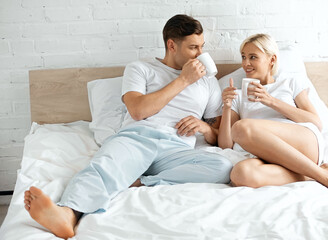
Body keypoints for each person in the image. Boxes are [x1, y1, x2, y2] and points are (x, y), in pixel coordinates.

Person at [23, 14, 232, 239]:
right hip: (137, 139)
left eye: (201, 47)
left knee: (222, 166)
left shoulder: (208, 81)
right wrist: (183, 80)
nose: (200, 54)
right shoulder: (140, 68)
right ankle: (68, 213)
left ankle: (138, 181)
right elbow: (138, 110)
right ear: (172, 45)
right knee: (103, 167)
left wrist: (205, 128)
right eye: (193, 48)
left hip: (177, 149)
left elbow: (218, 137)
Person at [218, 33, 328, 198]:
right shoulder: (238, 95)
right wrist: (227, 107)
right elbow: (225, 145)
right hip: (265, 154)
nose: (246, 63)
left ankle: (326, 178)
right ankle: (315, 173)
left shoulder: (289, 83)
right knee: (240, 174)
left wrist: (270, 101)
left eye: (253, 57)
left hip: (303, 144)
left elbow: (316, 122)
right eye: (243, 57)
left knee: (241, 128)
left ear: (272, 60)